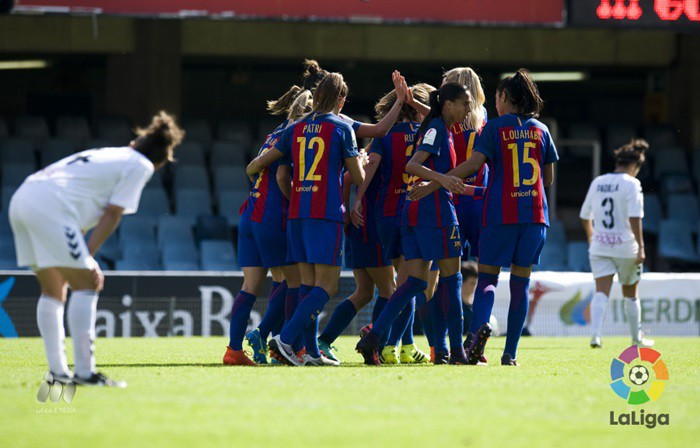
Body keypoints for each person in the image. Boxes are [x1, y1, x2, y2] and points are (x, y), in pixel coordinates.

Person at [9, 111, 184, 386]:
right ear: (160, 163)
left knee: (53, 290)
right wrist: (89, 256)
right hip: (50, 207)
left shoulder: (113, 155)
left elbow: (79, 211)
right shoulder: (140, 165)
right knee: (87, 283)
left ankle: (57, 373)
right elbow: (113, 214)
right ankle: (85, 373)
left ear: (134, 143)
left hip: (23, 199)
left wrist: (82, 254)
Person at [410, 69, 559, 366]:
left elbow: (473, 163)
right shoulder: (542, 130)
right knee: (520, 284)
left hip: (498, 213)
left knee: (485, 279)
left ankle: (472, 336)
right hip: (534, 218)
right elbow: (549, 178)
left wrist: (436, 182)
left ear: (503, 97)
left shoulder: (494, 129)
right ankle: (510, 354)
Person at [246, 72, 365, 366]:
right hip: (325, 215)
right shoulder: (342, 128)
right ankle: (285, 340)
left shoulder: (295, 128)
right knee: (328, 286)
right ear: (341, 99)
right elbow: (358, 176)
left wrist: (257, 180)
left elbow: (269, 168)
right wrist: (360, 161)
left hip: (297, 213)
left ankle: (311, 352)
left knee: (308, 285)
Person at [355, 82, 472, 366]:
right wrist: (442, 180)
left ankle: (374, 338)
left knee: (413, 283)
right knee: (452, 280)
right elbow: (412, 164)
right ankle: (455, 351)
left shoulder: (433, 125)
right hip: (436, 214)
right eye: (465, 103)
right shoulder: (436, 129)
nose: (469, 109)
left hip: (415, 214)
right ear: (449, 105)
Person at [224, 66, 321, 365]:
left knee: (252, 286)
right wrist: (296, 204)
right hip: (273, 216)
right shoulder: (297, 134)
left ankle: (234, 350)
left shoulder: (274, 133)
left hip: (250, 214)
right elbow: (282, 177)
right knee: (295, 282)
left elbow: (253, 168)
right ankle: (274, 338)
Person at [348, 84, 435, 364]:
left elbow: (370, 166)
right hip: (415, 212)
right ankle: (385, 342)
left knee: (404, 283)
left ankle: (405, 345)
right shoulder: (429, 132)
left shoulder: (386, 134)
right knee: (412, 285)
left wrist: (358, 199)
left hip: (386, 213)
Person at [580, 139, 653, 349]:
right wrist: (641, 246)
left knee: (601, 291)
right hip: (625, 247)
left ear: (618, 162)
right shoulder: (632, 184)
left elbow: (585, 215)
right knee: (630, 293)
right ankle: (636, 340)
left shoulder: (598, 181)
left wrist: (590, 236)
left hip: (600, 246)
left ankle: (595, 336)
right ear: (634, 166)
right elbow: (635, 217)